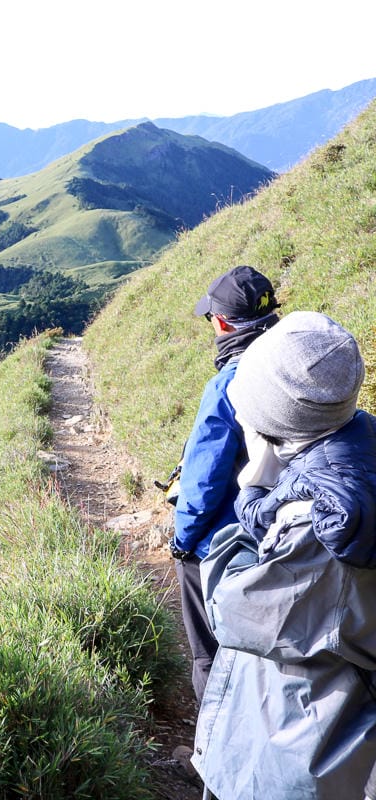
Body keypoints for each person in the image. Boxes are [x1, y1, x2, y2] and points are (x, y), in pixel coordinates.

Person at [192, 311, 376, 799]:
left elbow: (231, 609)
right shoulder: (363, 459)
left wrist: (253, 487)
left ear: (272, 420)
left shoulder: (315, 526)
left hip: (304, 750)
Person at [169, 265, 279, 701]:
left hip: (227, 540)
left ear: (223, 323)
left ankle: (212, 751)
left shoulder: (228, 383)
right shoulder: (297, 364)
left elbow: (204, 479)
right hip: (288, 530)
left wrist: (182, 540)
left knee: (208, 656)